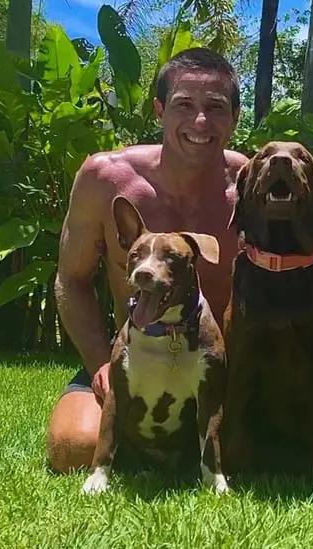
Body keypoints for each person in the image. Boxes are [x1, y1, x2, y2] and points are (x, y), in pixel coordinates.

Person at [47, 48, 249, 473]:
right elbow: (72, 280)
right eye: (184, 105)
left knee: (254, 451)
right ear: (159, 110)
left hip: (211, 367)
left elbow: (292, 265)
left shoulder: (250, 185)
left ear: (235, 116)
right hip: (134, 360)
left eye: (216, 107)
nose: (200, 122)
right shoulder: (106, 178)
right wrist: (103, 363)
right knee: (75, 448)